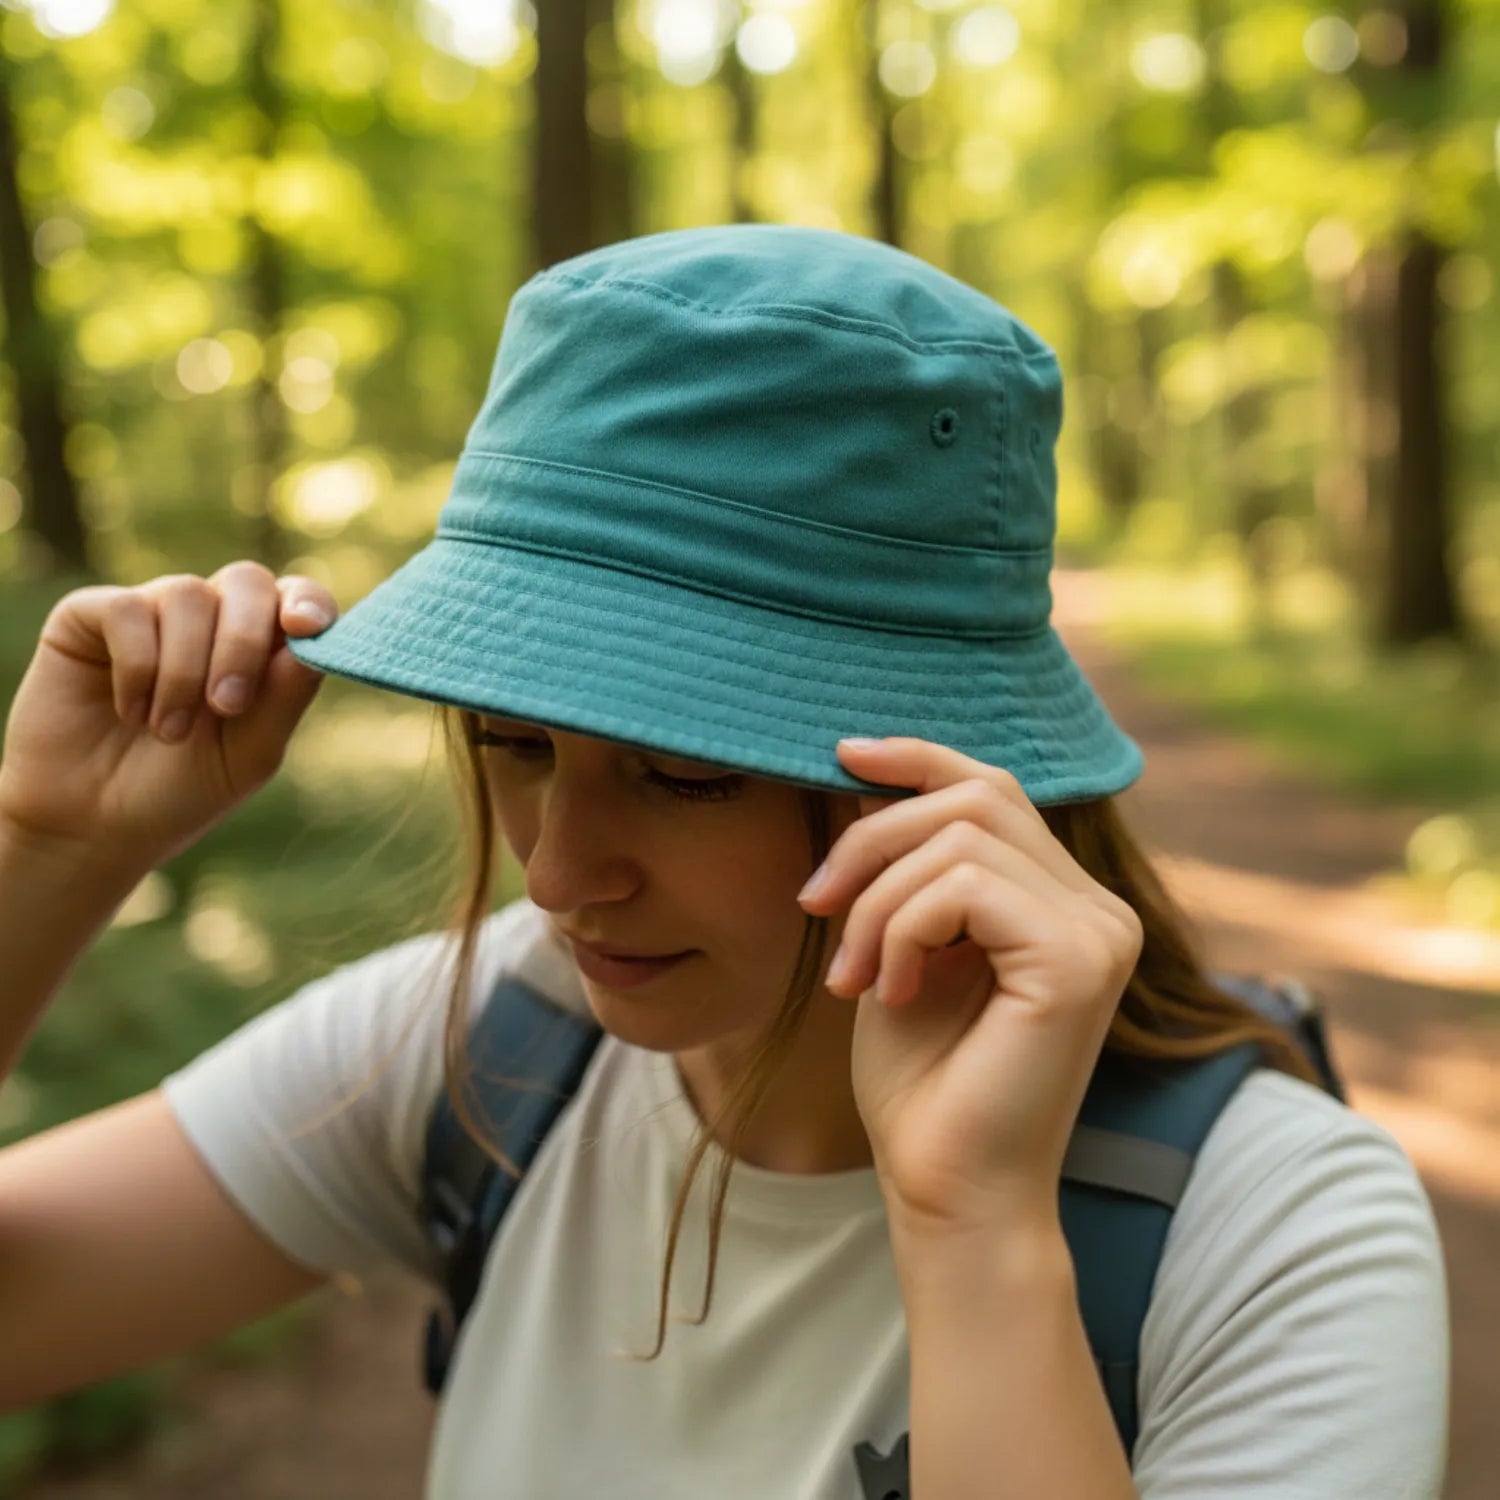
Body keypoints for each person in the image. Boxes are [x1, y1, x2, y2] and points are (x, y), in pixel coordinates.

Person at [0, 224, 1447, 1498]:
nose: (560, 878)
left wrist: (976, 1229)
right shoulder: (491, 1042)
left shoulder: (1274, 1235)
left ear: (951, 769)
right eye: (514, 746)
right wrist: (46, 853)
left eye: (682, 773)